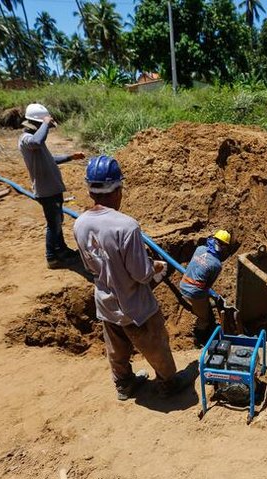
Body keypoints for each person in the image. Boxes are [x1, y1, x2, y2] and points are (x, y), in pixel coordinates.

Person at [73, 155, 194, 401]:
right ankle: (168, 384)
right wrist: (155, 267)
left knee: (116, 349)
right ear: (117, 189)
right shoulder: (126, 226)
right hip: (135, 306)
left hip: (106, 301)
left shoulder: (80, 223)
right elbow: (140, 274)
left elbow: (90, 265)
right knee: (156, 345)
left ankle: (124, 385)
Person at [18, 103, 85, 269]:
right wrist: (46, 123)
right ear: (37, 123)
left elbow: (50, 159)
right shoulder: (27, 139)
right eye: (43, 125)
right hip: (46, 191)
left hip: (52, 189)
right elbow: (37, 141)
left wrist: (70, 157)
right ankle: (52, 257)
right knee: (53, 223)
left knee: (57, 220)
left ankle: (61, 250)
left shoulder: (35, 142)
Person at [179, 230, 231, 338]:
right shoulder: (216, 264)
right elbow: (208, 286)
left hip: (183, 283)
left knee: (203, 299)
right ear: (224, 247)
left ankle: (204, 305)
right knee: (204, 318)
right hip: (194, 293)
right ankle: (200, 337)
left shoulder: (200, 249)